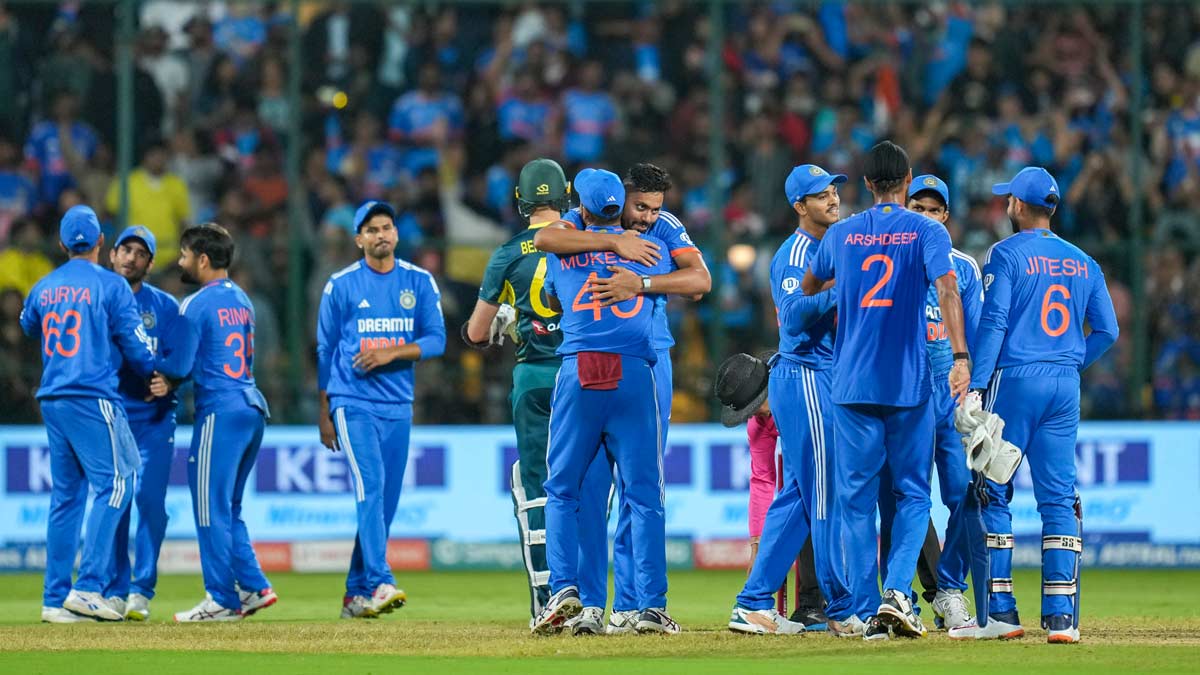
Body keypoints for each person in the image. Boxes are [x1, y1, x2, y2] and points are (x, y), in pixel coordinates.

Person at [801, 141, 970, 640]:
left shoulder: (842, 233)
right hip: (908, 382)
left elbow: (810, 285)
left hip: (851, 383)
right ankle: (897, 593)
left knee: (855, 501)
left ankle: (862, 609)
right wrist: (961, 357)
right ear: (908, 179)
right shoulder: (927, 230)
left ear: (867, 183)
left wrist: (848, 292)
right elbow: (947, 289)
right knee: (913, 494)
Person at [534, 163, 710, 635]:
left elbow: (701, 280)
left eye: (655, 209)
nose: (648, 218)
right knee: (634, 489)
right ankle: (620, 603)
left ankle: (608, 602)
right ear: (622, 196)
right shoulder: (641, 244)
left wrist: (640, 282)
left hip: (611, 362)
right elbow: (697, 284)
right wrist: (616, 246)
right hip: (637, 364)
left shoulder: (579, 238)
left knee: (584, 489)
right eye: (640, 207)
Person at [950, 167, 1117, 644]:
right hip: (1064, 386)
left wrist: (977, 385)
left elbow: (995, 321)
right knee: (1059, 497)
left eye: (1009, 199)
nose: (1006, 205)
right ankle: (1063, 619)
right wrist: (1069, 361)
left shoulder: (1005, 254)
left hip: (1015, 381)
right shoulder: (1085, 262)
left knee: (991, 488)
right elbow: (1108, 331)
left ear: (1019, 206)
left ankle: (1001, 613)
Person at [728, 164, 852, 636]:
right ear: (800, 206)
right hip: (805, 376)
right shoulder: (795, 253)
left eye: (834, 190)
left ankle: (753, 602)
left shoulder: (833, 247)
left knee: (800, 495)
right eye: (821, 195)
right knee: (822, 496)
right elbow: (795, 316)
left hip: (825, 377)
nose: (833, 199)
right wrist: (842, 289)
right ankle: (841, 606)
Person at [20, 205, 155, 623]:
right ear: (100, 241)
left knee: (66, 498)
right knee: (118, 484)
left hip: (53, 397)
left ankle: (54, 599)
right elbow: (138, 350)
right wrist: (156, 367)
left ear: (61, 244)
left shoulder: (43, 287)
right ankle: (89, 586)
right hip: (91, 395)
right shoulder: (112, 286)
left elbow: (29, 325)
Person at [316, 201, 446, 619]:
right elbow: (325, 349)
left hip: (398, 404)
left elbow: (437, 340)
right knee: (370, 486)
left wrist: (392, 353)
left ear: (396, 233)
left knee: (384, 502)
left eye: (386, 227)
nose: (381, 235)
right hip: (352, 401)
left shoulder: (418, 281)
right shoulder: (340, 285)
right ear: (359, 239)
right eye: (371, 230)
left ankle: (355, 594)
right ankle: (379, 581)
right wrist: (324, 409)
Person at [462, 158, 570, 626]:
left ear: (520, 200)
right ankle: (585, 594)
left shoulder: (508, 253)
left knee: (534, 486)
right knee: (585, 484)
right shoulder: (587, 242)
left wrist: (509, 317)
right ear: (566, 195)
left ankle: (547, 600)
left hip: (534, 379)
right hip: (583, 374)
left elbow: (476, 332)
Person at [877, 175, 983, 631]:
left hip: (951, 394)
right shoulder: (889, 261)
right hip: (905, 392)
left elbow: (978, 336)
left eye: (932, 210)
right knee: (900, 501)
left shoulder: (965, 268)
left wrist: (977, 392)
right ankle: (901, 598)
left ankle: (950, 590)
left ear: (945, 217)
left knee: (963, 496)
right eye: (916, 207)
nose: (924, 216)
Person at [156, 223, 276, 622]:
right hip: (251, 407)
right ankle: (254, 586)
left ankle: (222, 598)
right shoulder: (242, 299)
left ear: (203, 259)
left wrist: (158, 370)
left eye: (184, 254)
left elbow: (179, 364)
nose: (180, 262)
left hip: (220, 412)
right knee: (229, 507)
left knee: (209, 508)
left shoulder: (195, 304)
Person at [104, 226, 181, 621]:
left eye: (140, 253)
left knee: (149, 501)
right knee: (114, 503)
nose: (131, 258)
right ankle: (115, 590)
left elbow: (183, 355)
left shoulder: (164, 306)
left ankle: (141, 590)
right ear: (112, 254)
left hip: (154, 419)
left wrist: (171, 379)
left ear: (149, 264)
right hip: (111, 417)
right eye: (126, 250)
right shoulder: (98, 298)